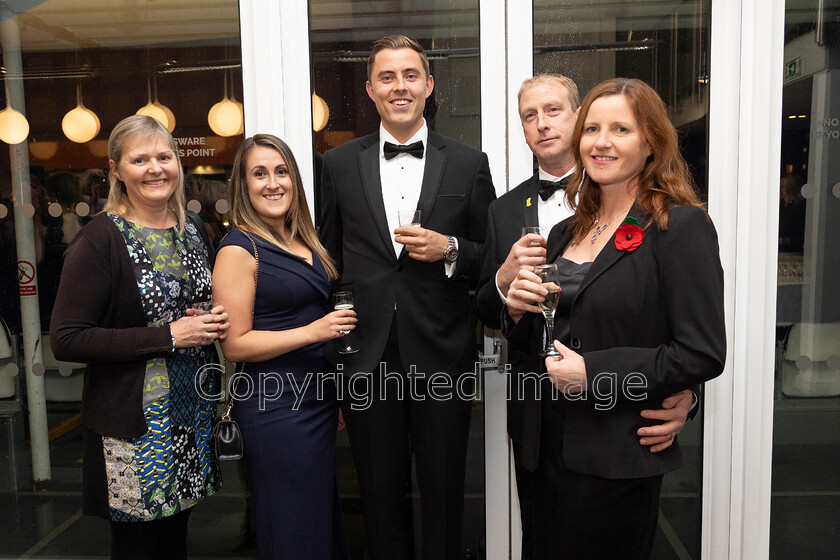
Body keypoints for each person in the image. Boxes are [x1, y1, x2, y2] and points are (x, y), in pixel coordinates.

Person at [503, 78, 726, 559]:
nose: (601, 142)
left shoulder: (679, 226)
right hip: (543, 448)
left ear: (651, 143)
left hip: (616, 451)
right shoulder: (566, 231)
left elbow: (702, 352)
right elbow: (544, 335)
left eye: (620, 129)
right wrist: (516, 309)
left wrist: (594, 373)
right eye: (592, 129)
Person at [319, 35, 496, 559]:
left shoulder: (468, 161)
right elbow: (328, 262)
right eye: (388, 78)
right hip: (367, 357)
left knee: (445, 493)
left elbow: (491, 256)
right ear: (371, 89)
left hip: (443, 352)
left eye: (411, 75)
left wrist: (450, 249)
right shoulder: (338, 164)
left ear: (429, 85)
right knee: (377, 493)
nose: (401, 87)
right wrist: (332, 357)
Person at [50, 115, 230, 559]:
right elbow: (68, 339)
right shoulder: (100, 240)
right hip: (133, 428)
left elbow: (187, 304)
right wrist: (168, 335)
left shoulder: (191, 230)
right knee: (138, 548)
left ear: (178, 163)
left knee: (175, 541)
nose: (155, 168)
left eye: (164, 156)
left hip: (190, 414)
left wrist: (207, 318)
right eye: (140, 159)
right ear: (117, 170)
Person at [213, 134, 353, 560]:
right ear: (243, 184)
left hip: (317, 400)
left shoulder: (302, 240)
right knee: (292, 530)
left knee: (316, 522)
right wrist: (316, 331)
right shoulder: (239, 249)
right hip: (274, 408)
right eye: (259, 173)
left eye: (281, 171)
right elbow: (234, 345)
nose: (273, 183)